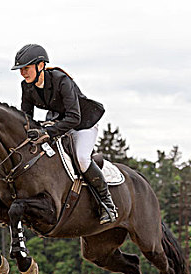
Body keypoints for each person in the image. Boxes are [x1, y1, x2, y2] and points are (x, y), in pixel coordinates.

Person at [11, 44, 117, 224]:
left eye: (26, 68)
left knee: (82, 158)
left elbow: (74, 118)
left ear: (40, 65)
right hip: (57, 122)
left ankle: (107, 203)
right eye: (21, 69)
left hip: (83, 123)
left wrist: (48, 132)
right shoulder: (26, 86)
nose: (23, 73)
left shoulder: (62, 81)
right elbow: (26, 117)